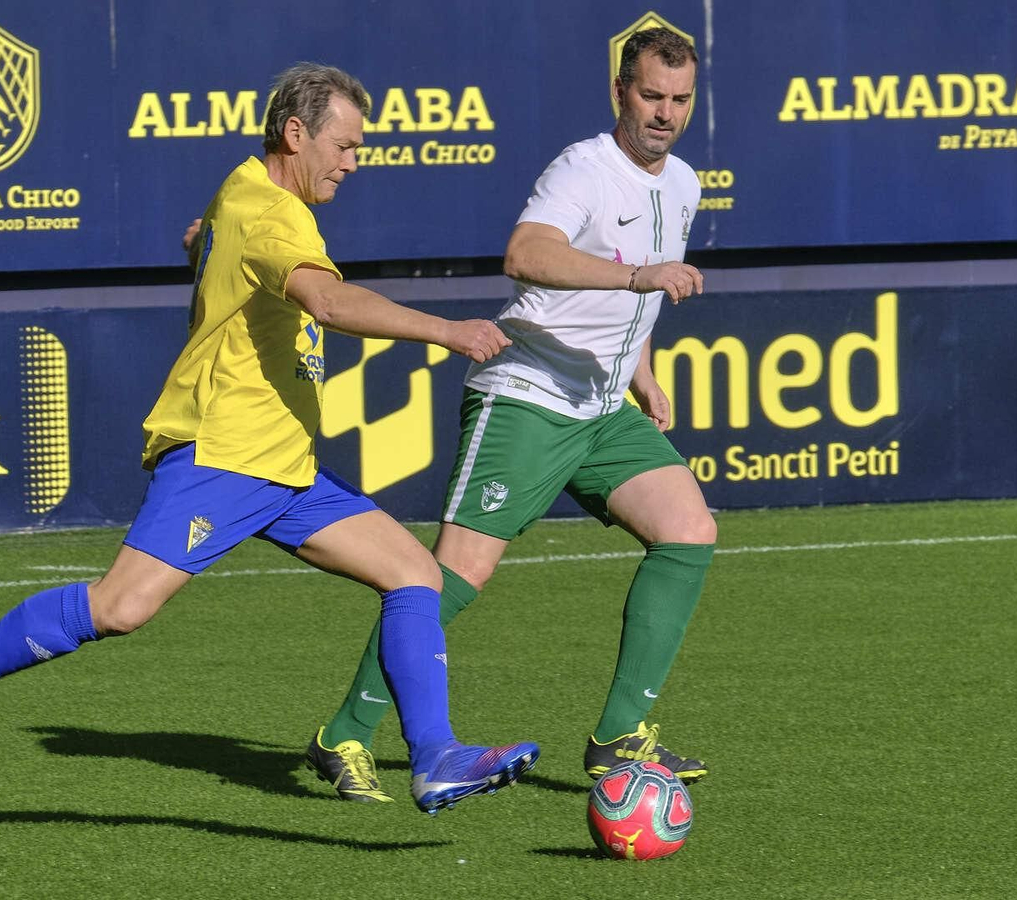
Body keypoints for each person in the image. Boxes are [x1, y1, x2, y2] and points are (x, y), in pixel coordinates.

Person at [0, 62, 539, 815]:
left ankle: (436, 756)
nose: (355, 161)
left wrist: (203, 245)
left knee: (414, 575)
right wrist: (446, 330)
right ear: (296, 133)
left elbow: (212, 234)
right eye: (346, 145)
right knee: (120, 609)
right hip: (223, 454)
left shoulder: (245, 188)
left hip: (284, 466)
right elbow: (326, 298)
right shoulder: (273, 216)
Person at [306, 27, 715, 802]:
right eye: (652, 96)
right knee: (450, 575)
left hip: (601, 402)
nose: (665, 113)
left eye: (680, 99)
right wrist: (638, 277)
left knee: (689, 530)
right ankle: (344, 733)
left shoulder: (686, 183)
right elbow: (526, 253)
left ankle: (619, 738)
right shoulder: (583, 169)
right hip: (527, 393)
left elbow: (644, 296)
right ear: (620, 93)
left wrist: (643, 373)